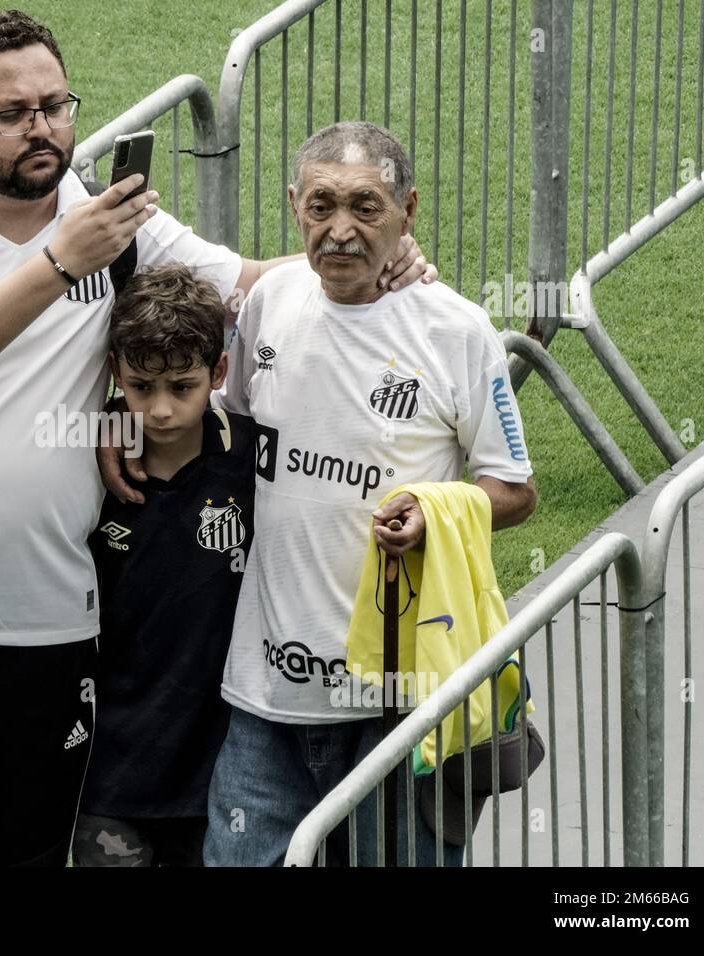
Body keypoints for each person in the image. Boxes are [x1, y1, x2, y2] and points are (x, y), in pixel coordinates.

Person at [0, 9, 434, 868]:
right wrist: (61, 261)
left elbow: (244, 283)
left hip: (38, 639)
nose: (43, 128)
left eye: (57, 105)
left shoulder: (115, 227)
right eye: (13, 112)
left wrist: (374, 253)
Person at [198, 121, 538, 867]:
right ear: (294, 206)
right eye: (321, 206)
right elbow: (238, 443)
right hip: (265, 694)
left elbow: (515, 489)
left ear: (407, 210)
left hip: (399, 701)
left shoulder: (458, 331)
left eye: (366, 206)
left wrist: (437, 513)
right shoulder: (268, 305)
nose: (340, 230)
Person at [72, 264, 255, 867]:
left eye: (183, 386)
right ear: (114, 375)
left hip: (224, 773)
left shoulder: (257, 461)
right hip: (108, 775)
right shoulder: (79, 463)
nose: (161, 409)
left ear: (219, 372)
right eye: (140, 387)